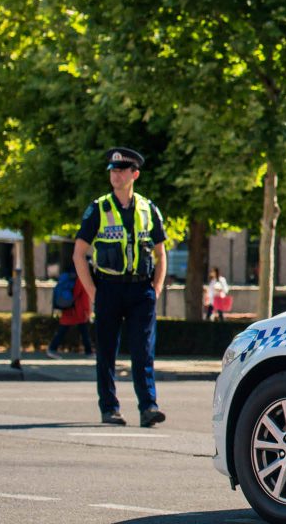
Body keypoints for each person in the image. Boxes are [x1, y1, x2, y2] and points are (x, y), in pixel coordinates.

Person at [72, 147, 168, 428]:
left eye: (121, 170)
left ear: (134, 174)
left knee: (143, 352)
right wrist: (93, 292)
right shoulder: (99, 208)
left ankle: (149, 407)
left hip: (141, 291)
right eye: (113, 171)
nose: (115, 175)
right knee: (106, 353)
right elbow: (79, 253)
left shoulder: (148, 209)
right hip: (108, 289)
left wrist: (157, 288)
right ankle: (109, 408)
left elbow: (162, 253)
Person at [46, 267, 94, 359]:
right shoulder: (82, 279)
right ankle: (89, 352)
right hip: (77, 311)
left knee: (64, 331)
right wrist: (87, 311)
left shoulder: (72, 277)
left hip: (69, 309)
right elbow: (83, 298)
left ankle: (52, 349)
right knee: (82, 332)